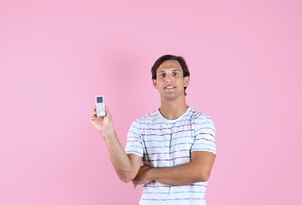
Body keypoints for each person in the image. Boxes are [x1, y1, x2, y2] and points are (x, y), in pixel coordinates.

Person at [90, 54, 216, 205]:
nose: (168, 78)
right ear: (155, 83)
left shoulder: (201, 122)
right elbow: (128, 174)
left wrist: (150, 173)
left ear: (186, 81)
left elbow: (200, 171)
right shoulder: (141, 125)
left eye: (175, 73)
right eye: (162, 74)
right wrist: (108, 132)